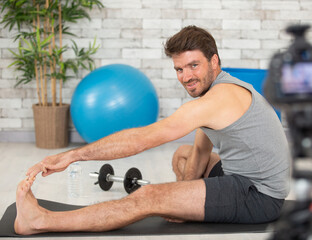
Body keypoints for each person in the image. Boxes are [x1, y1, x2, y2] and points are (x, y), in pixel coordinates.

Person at [15, 25, 290, 235]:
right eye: (179, 69)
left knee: (146, 197)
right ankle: (189, 205)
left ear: (214, 62)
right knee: (183, 154)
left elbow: (143, 139)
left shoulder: (218, 99)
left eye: (194, 65)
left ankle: (40, 221)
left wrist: (73, 155)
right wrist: (182, 199)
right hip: (241, 175)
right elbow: (200, 149)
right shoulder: (218, 92)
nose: (186, 77)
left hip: (259, 195)